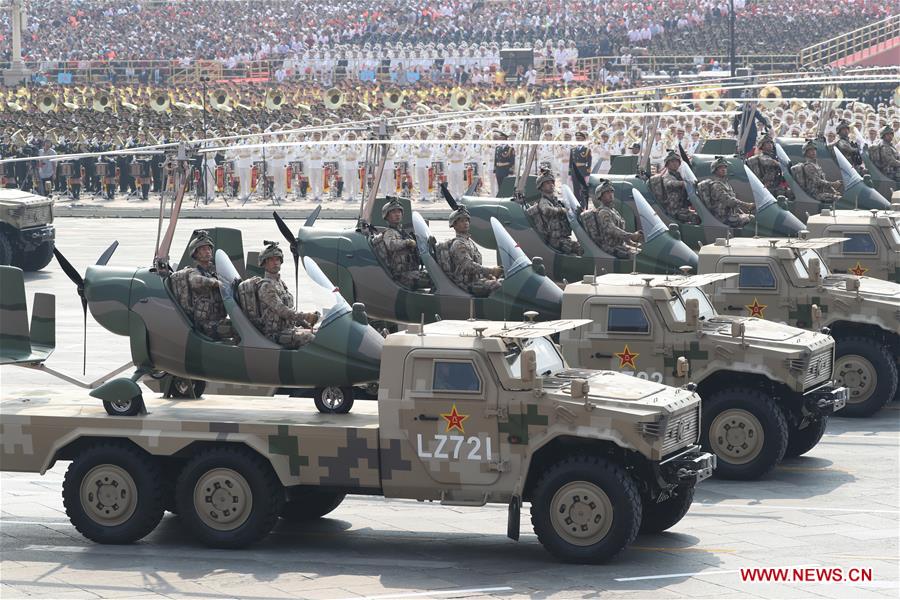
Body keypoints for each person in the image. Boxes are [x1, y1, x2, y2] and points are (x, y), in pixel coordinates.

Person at [171, 231, 233, 341]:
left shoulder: (214, 271)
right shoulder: (193, 272)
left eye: (209, 249)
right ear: (195, 253)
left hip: (218, 320)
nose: (208, 252)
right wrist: (214, 282)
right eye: (203, 249)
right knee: (236, 330)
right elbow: (195, 281)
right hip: (206, 325)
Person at [255, 241, 318, 349]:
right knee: (309, 338)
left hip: (288, 330)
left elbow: (290, 309)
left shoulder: (280, 283)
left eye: (278, 259)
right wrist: (306, 316)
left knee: (320, 334)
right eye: (271, 259)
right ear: (264, 263)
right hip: (275, 334)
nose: (275, 262)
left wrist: (306, 325)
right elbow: (283, 311)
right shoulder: (266, 286)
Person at [444, 206, 503, 297]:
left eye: (467, 220)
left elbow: (476, 265)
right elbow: (469, 265)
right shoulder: (458, 244)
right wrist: (491, 270)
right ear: (454, 225)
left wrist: (488, 275)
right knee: (497, 286)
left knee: (505, 281)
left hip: (475, 280)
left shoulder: (469, 242)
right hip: (466, 284)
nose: (466, 223)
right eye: (461, 221)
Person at [375, 198, 432, 289]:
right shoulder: (389, 232)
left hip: (411, 271)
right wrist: (407, 242)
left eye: (399, 212)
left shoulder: (402, 232)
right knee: (432, 280)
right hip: (402, 275)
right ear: (387, 216)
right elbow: (391, 245)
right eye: (393, 212)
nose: (397, 214)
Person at [581, 179, 642, 258]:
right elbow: (612, 229)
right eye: (607, 193)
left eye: (612, 192)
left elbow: (620, 231)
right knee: (638, 258)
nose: (611, 195)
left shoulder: (613, 211)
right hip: (610, 248)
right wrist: (631, 235)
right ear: (600, 196)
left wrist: (631, 242)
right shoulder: (603, 212)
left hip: (619, 246)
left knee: (642, 254)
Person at [528, 170, 582, 255]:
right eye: (547, 183)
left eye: (552, 182)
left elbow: (567, 206)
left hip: (563, 237)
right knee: (580, 249)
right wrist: (562, 210)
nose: (551, 185)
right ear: (541, 187)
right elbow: (546, 210)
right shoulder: (544, 201)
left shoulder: (555, 201)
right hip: (555, 240)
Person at [701, 157, 755, 227]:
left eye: (725, 167)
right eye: (720, 168)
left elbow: (734, 203)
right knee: (746, 219)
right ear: (715, 171)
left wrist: (742, 212)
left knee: (752, 218)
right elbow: (729, 201)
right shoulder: (716, 185)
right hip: (722, 217)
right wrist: (747, 205)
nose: (723, 169)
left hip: (730, 215)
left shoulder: (726, 184)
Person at [650, 150, 700, 224]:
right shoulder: (667, 176)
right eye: (672, 162)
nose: (675, 164)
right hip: (674, 210)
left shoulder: (679, 175)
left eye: (676, 161)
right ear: (667, 164)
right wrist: (682, 183)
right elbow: (669, 183)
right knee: (696, 218)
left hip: (682, 208)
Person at [745, 134, 793, 200]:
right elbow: (765, 161)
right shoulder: (761, 157)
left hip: (775, 187)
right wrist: (778, 163)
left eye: (771, 142)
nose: (770, 144)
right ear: (762, 146)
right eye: (767, 143)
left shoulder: (774, 157)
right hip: (766, 188)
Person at [569, 130, 592, 209]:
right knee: (576, 188)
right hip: (574, 171)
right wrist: (570, 173)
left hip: (583, 171)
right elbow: (571, 162)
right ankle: (576, 203)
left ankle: (583, 204)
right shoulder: (573, 150)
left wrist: (588, 174)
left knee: (583, 189)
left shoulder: (587, 150)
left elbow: (589, 162)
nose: (578, 140)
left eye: (580, 138)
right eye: (577, 138)